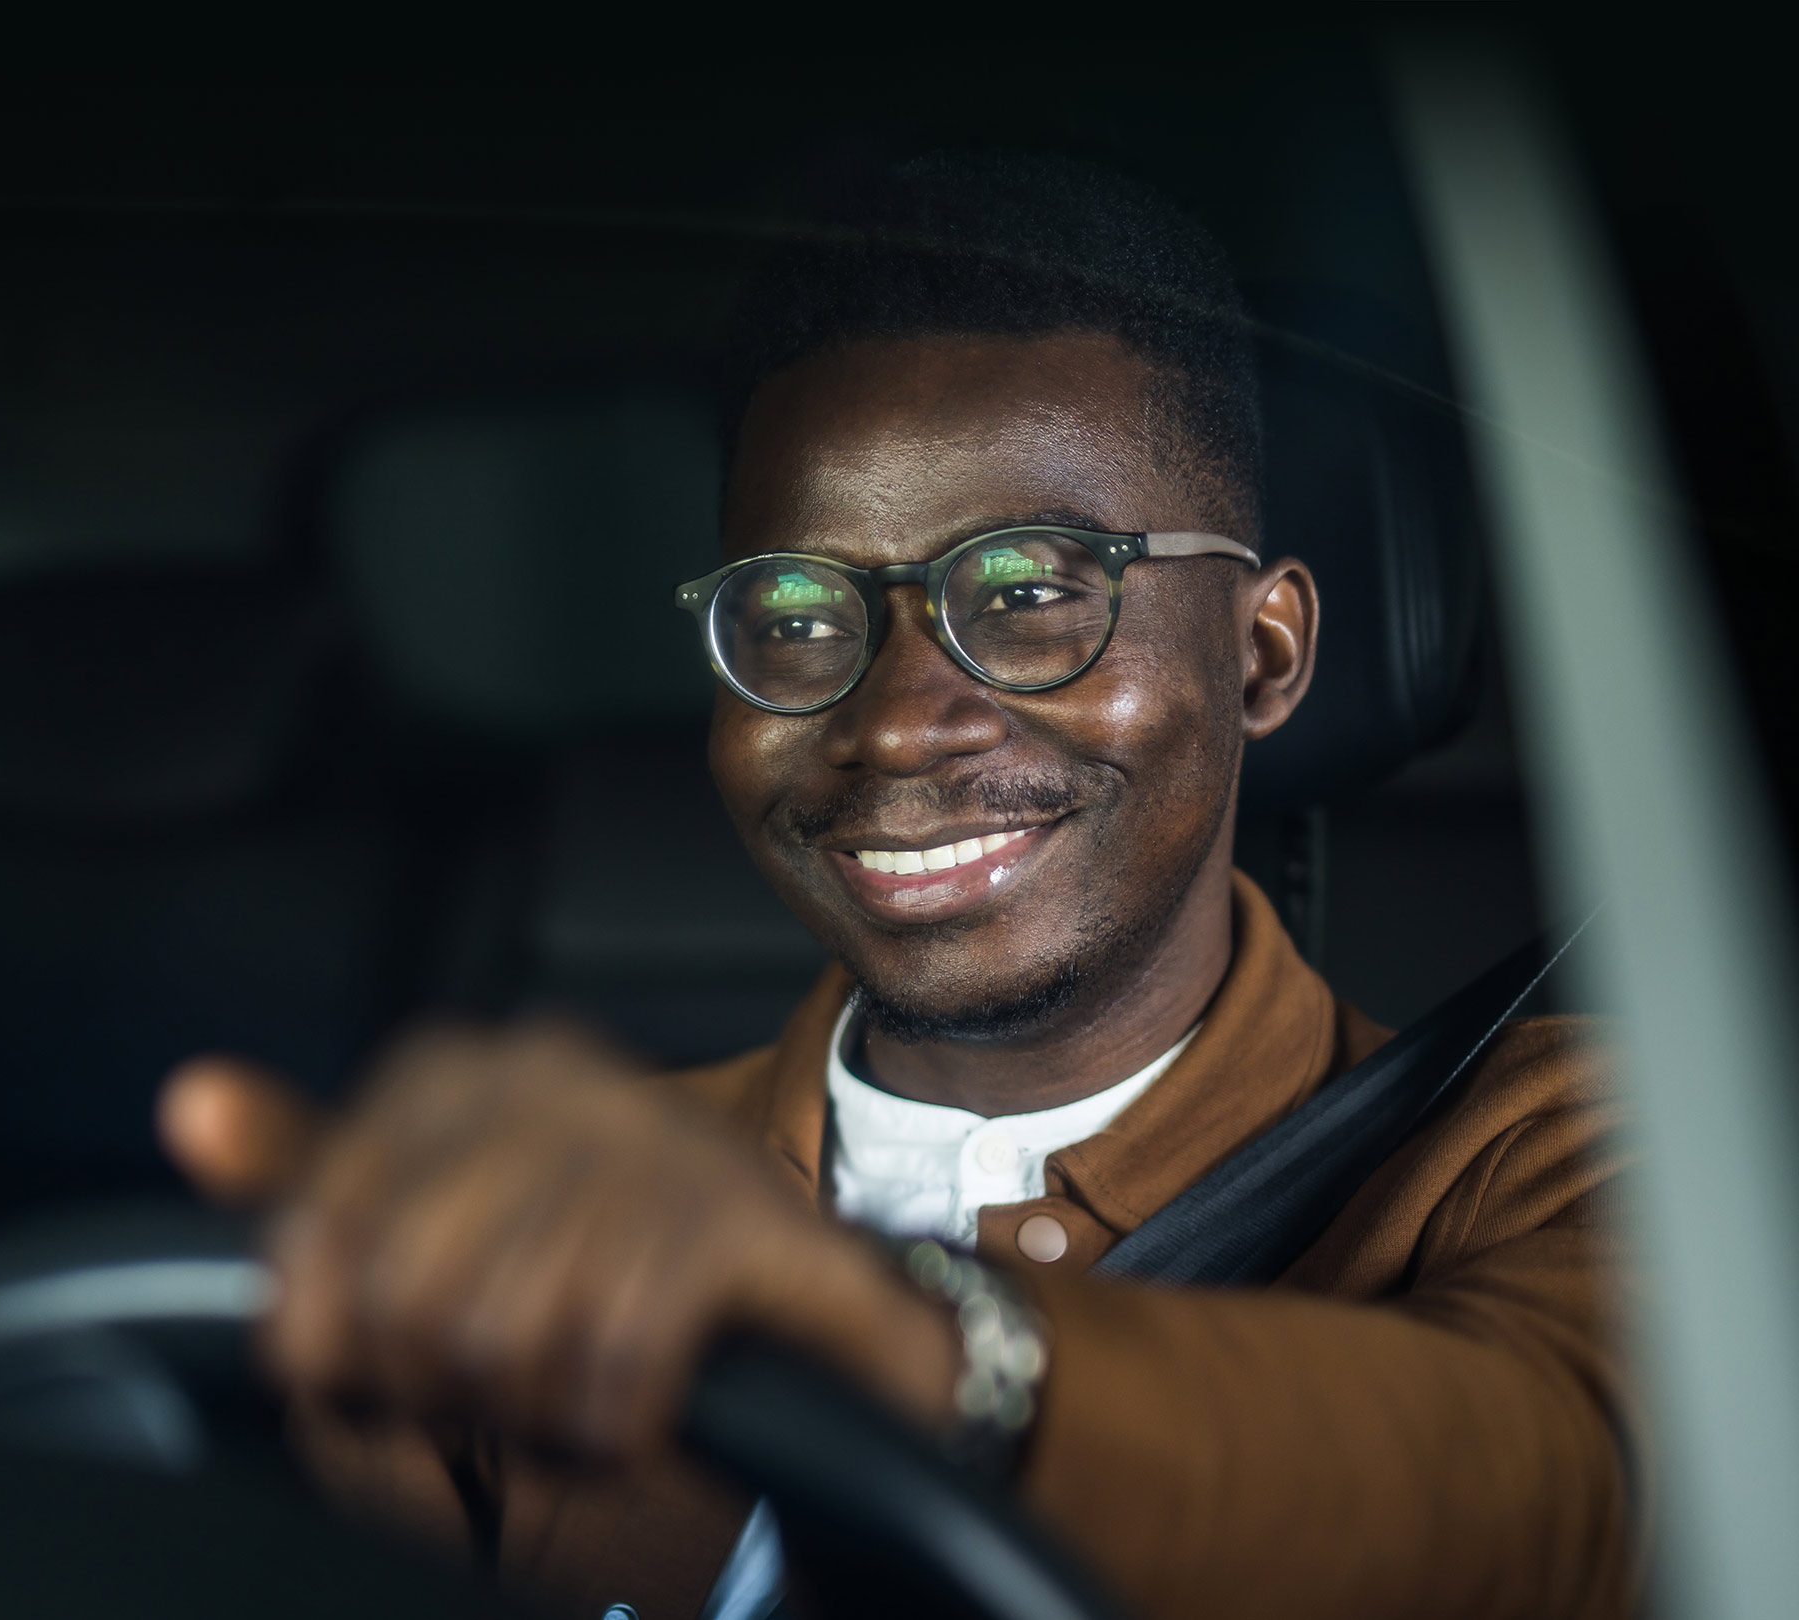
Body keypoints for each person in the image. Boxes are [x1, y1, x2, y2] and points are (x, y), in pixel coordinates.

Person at [157, 154, 1629, 1620]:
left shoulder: (1535, 1152)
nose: (895, 721)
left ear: (1264, 655)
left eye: (1038, 592)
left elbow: (1563, 1491)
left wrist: (903, 1340)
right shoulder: (569, 1216)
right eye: (797, 611)